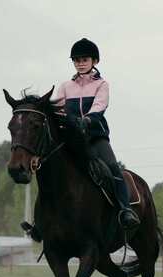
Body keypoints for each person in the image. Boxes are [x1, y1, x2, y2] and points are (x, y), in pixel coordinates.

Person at [21, 38, 141, 242]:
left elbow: (99, 107)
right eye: (76, 60)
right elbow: (57, 108)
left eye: (84, 59)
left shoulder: (102, 84)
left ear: (95, 61)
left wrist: (86, 120)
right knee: (48, 170)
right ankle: (39, 223)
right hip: (71, 139)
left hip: (95, 137)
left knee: (112, 167)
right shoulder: (66, 86)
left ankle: (124, 210)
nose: (80, 63)